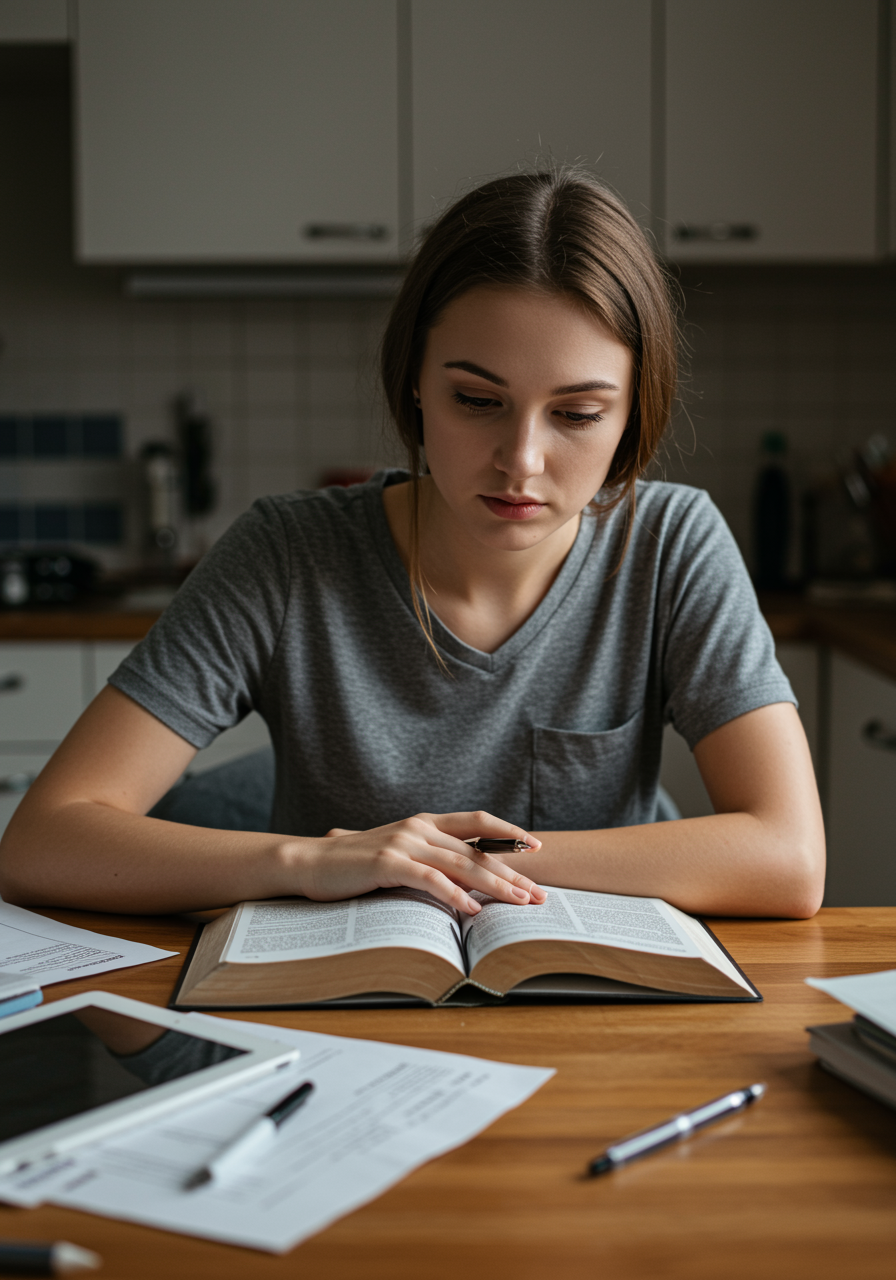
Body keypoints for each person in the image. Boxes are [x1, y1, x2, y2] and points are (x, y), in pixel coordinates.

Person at [0, 170, 825, 919]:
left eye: (576, 414)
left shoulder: (673, 543)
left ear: (631, 416)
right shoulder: (287, 554)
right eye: (476, 400)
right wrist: (317, 861)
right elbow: (45, 841)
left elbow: (789, 859)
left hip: (597, 1020)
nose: (522, 462)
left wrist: (457, 862)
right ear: (415, 386)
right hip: (338, 1021)